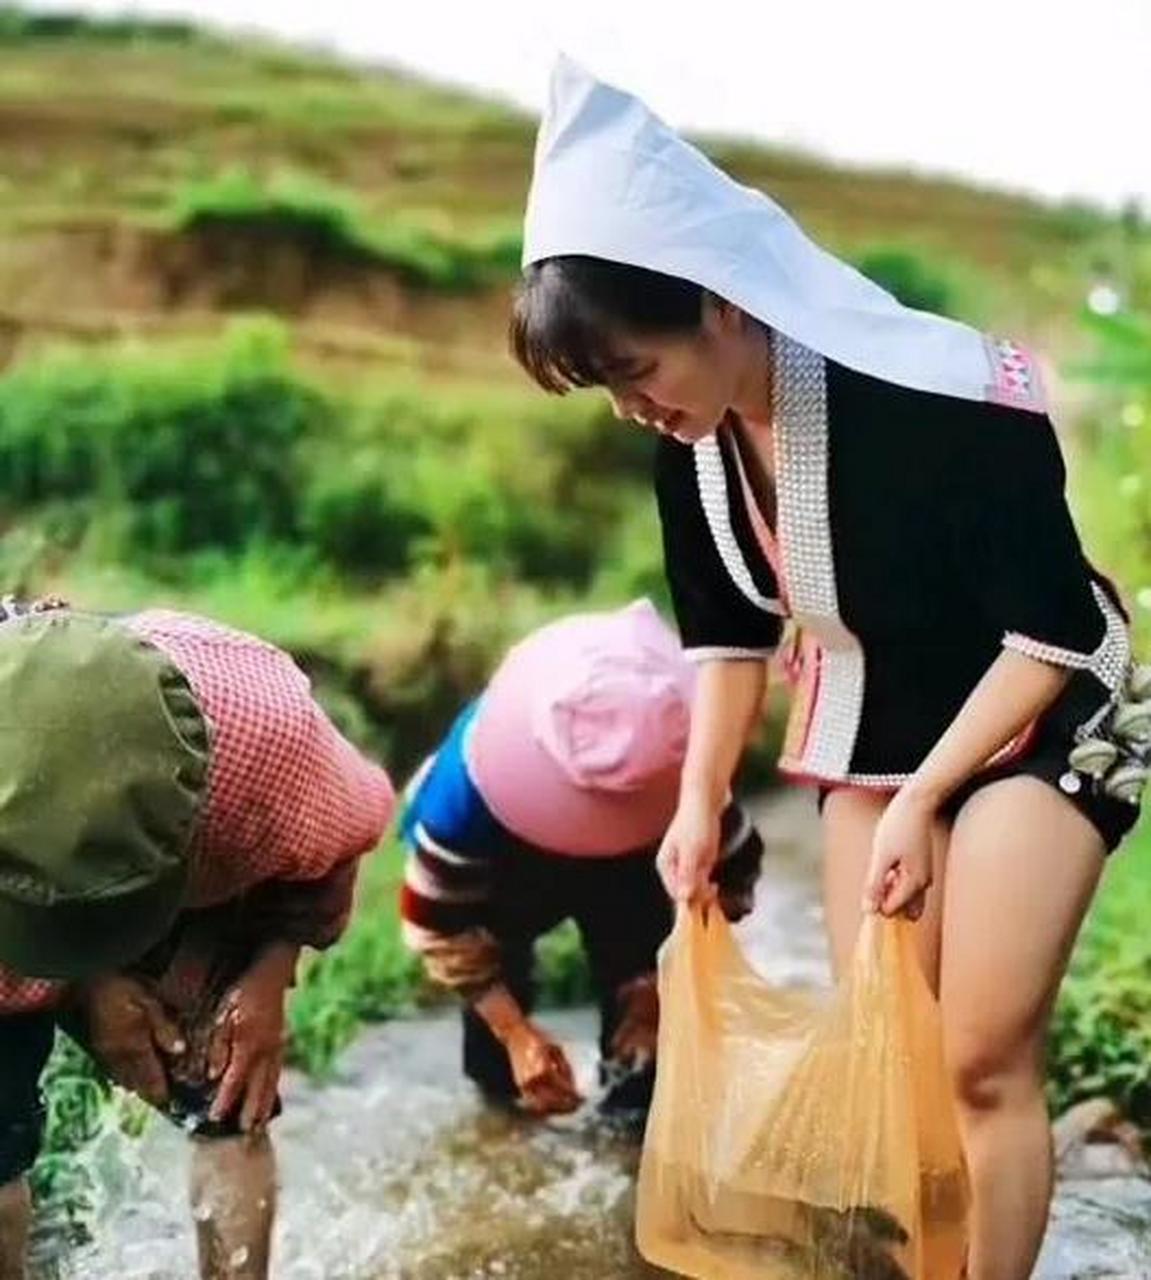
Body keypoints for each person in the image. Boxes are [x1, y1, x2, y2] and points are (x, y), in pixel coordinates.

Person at [507, 57, 1148, 1280]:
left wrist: (918, 799)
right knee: (893, 1050)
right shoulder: (689, 446)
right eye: (603, 391)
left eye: (634, 370)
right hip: (876, 718)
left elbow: (1049, 628)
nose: (629, 409)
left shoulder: (942, 402)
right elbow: (727, 638)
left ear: (720, 303)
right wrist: (697, 804)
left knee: (975, 1053)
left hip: (1046, 703)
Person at [0, 598, 395, 1280]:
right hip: (15, 875)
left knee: (225, 1096)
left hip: (183, 833)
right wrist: (92, 983)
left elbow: (332, 851)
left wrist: (270, 973)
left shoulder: (262, 737)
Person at [399, 599, 764, 1121]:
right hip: (502, 875)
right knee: (498, 1068)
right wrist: (514, 1033)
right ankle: (503, 1115)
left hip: (633, 876)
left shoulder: (687, 793)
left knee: (644, 1067)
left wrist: (662, 985)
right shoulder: (459, 805)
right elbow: (442, 930)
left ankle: (635, 1123)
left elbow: (732, 879)